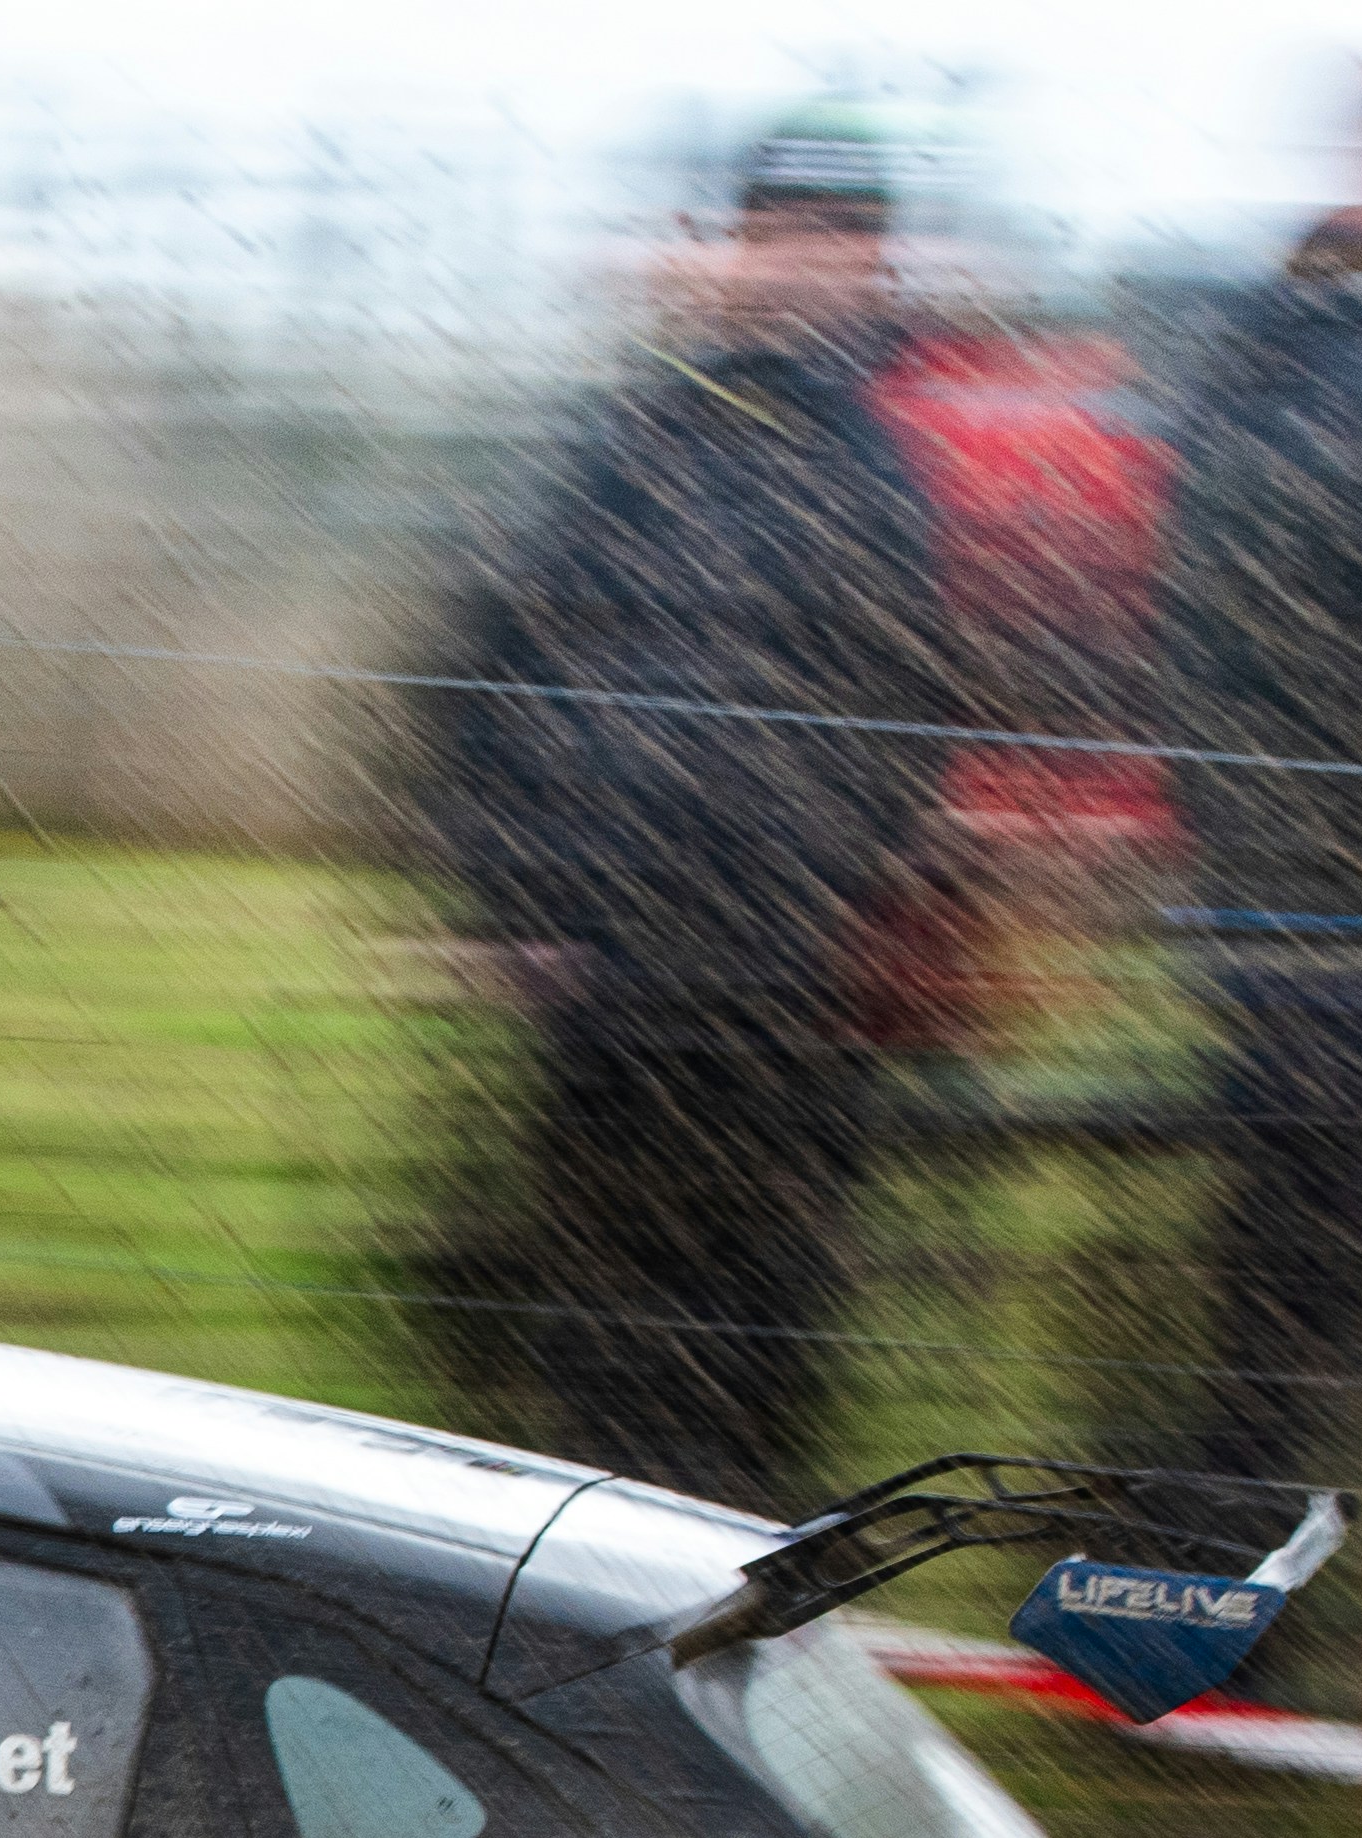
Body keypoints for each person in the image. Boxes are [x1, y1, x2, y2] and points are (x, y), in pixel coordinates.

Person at [409, 103, 971, 1513]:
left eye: (843, 240)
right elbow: (485, 668)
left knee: (766, 1331)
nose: (808, 267)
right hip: (622, 977)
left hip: (783, 987)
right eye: (783, 233)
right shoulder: (628, 448)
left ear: (877, 268)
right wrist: (517, 906)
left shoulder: (878, 470)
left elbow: (911, 711)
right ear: (731, 252)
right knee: (608, 1327)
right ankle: (586, 1600)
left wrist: (845, 893)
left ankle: (720, 1606)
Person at [1152, 162, 1362, 1489]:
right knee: (1338, 1296)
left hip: (1281, 917)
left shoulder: (1234, 418)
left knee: (1281, 1302)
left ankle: (1230, 1599)